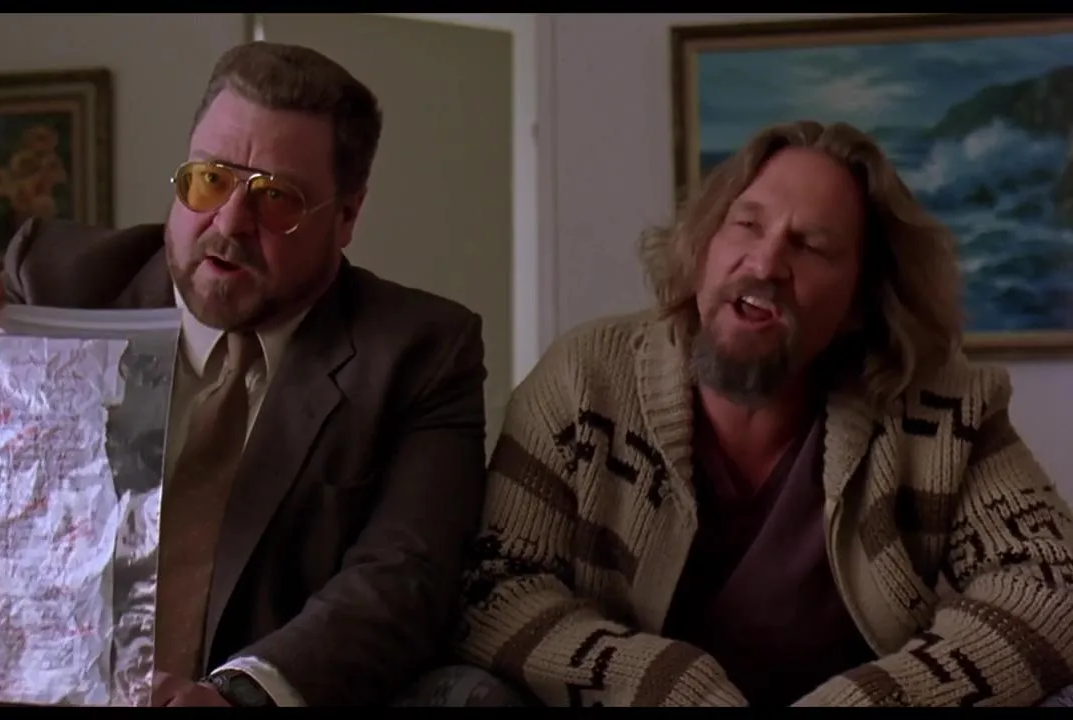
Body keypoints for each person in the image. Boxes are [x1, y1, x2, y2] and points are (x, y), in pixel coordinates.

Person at [0, 41, 499, 707]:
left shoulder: (421, 351)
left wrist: (235, 696)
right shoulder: (59, 284)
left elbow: (400, 579)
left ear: (345, 217)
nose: (230, 222)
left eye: (275, 198)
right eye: (210, 180)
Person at [454, 120, 1073, 707]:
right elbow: (494, 587)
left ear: (861, 303)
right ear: (704, 246)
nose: (765, 263)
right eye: (746, 225)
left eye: (810, 245)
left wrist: (869, 700)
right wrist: (669, 687)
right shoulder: (585, 381)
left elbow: (1053, 587)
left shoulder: (941, 408)